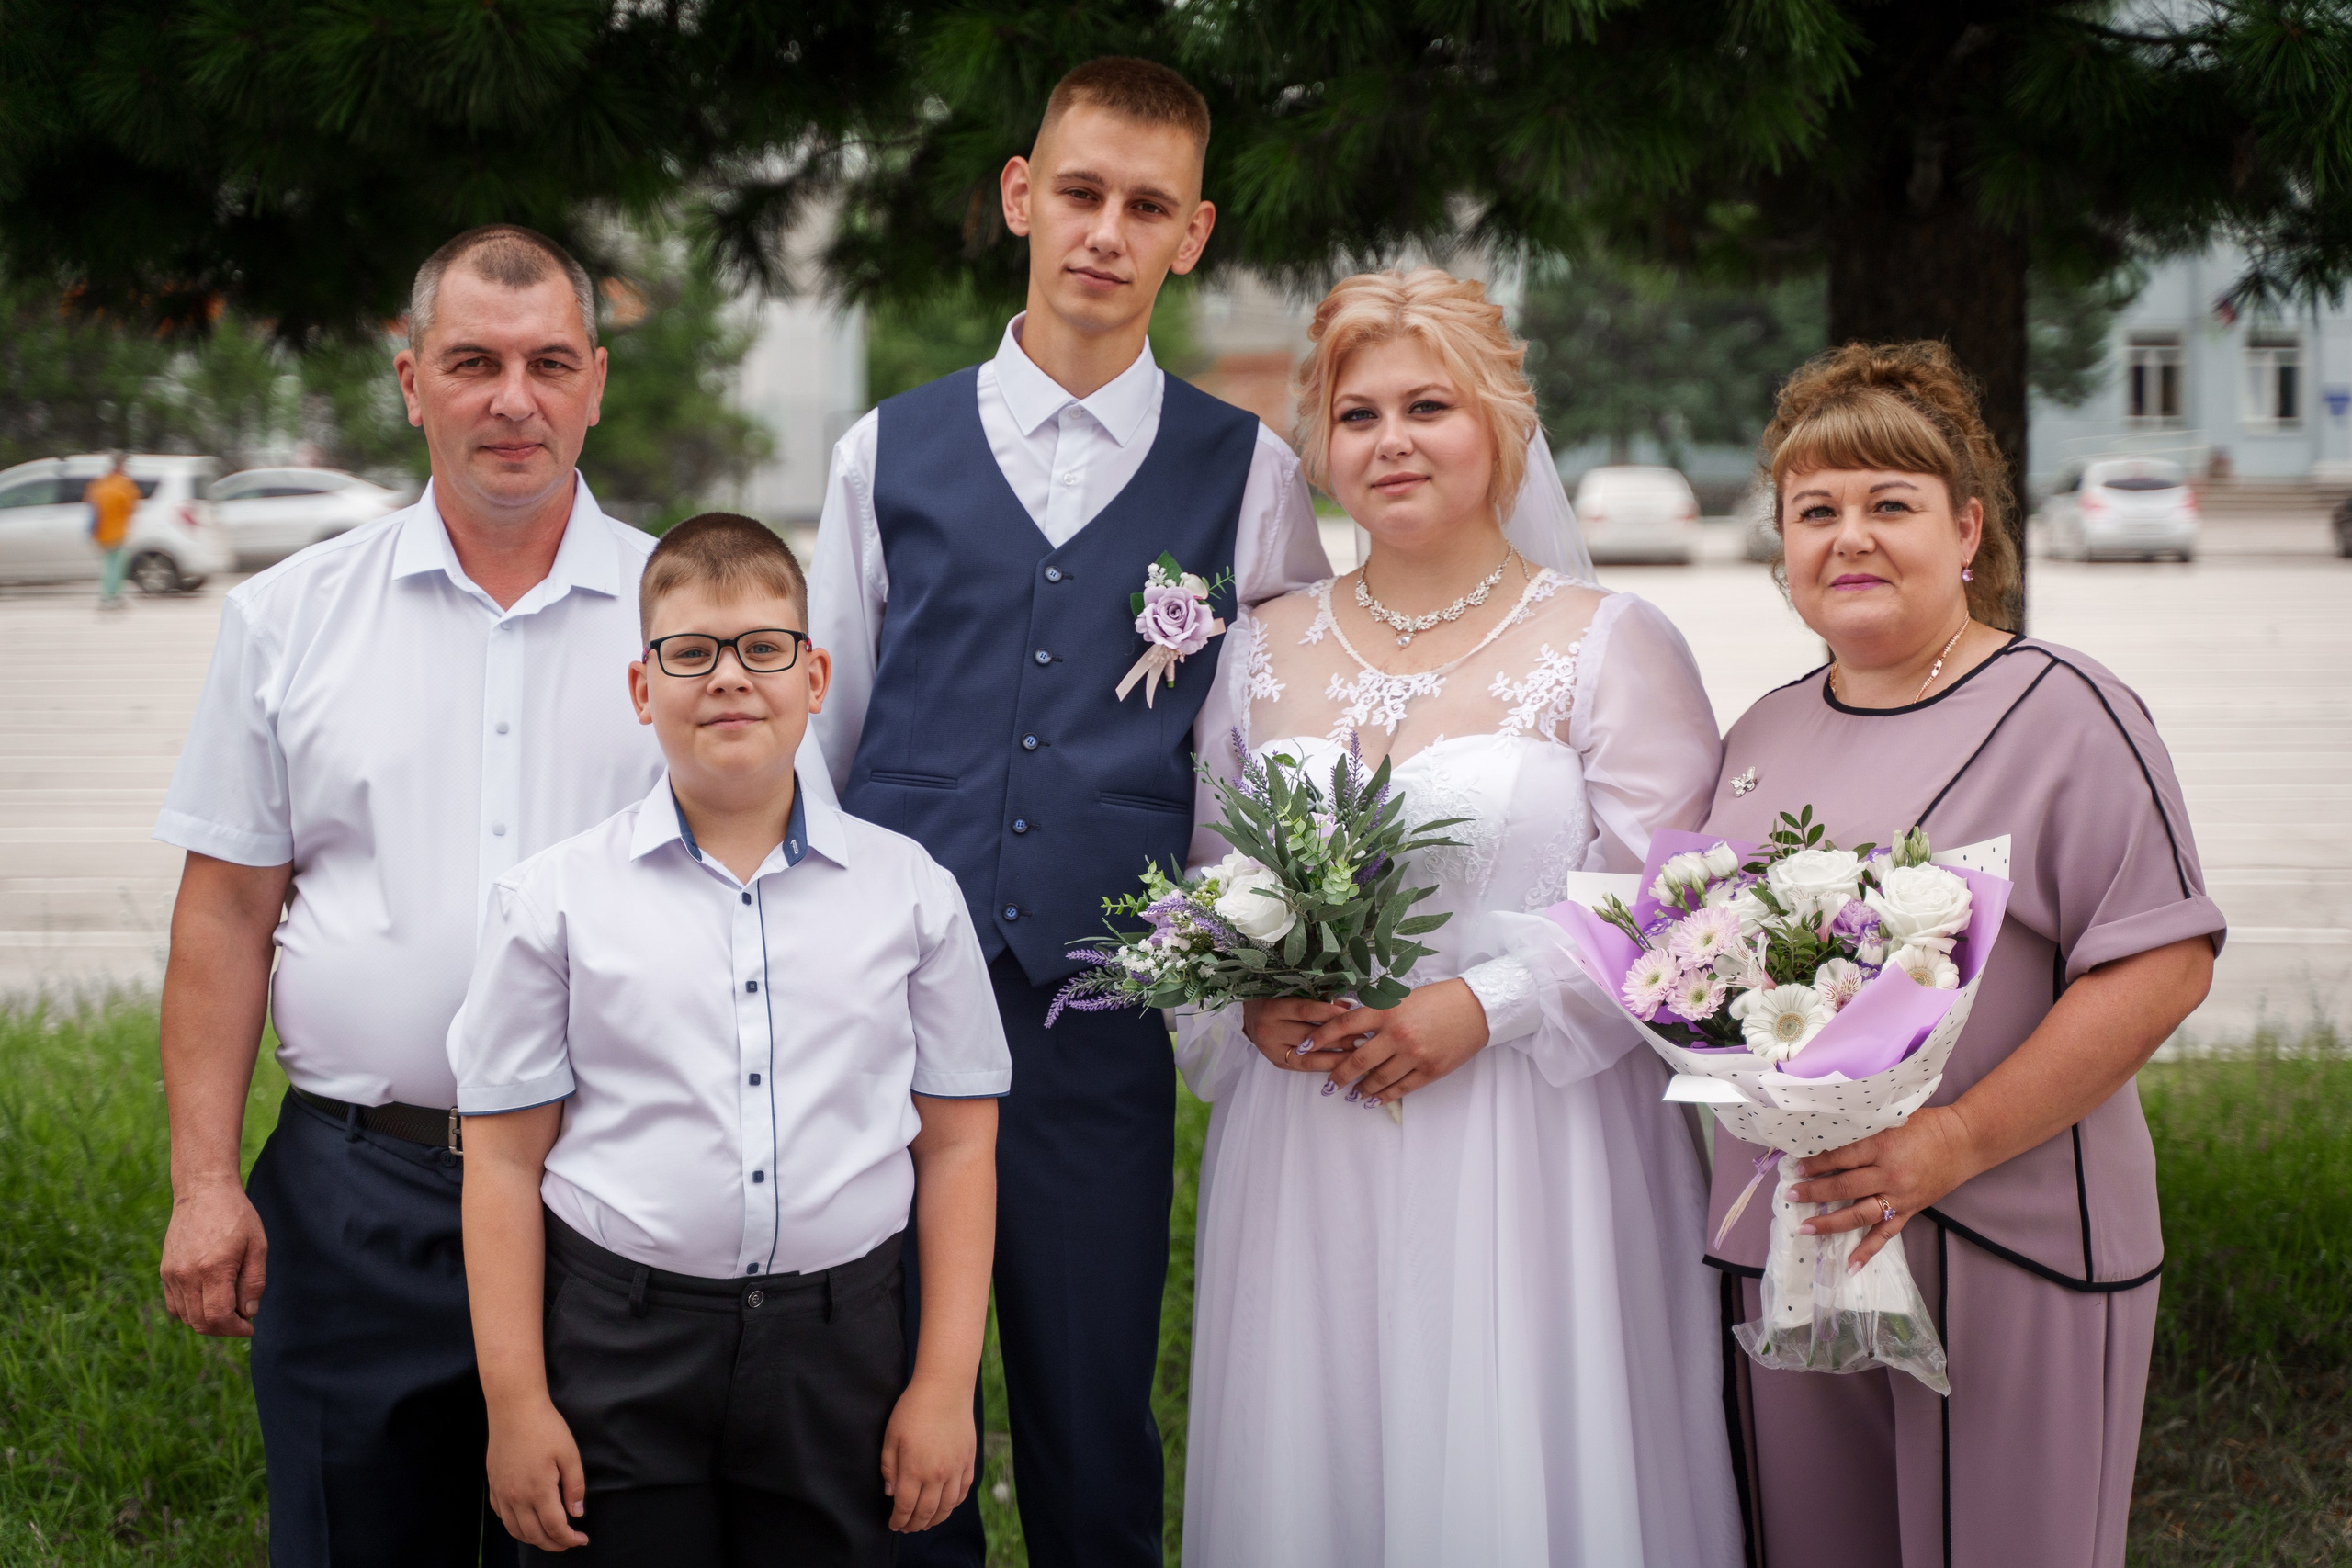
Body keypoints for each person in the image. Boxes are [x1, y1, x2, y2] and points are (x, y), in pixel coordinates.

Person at [805, 58, 1328, 1568]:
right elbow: (828, 744)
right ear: (1024, 197)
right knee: (892, 1404)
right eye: (1081, 192)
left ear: (1194, 234)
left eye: (1146, 205)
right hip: (888, 1009)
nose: (1106, 230)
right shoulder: (883, 451)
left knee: (1094, 1403)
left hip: (1097, 1015)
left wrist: (1225, 977)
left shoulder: (1251, 474)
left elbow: (1256, 758)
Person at [152, 224, 715, 1565]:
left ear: (594, 382)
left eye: (545, 363)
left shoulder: (687, 622)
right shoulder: (288, 619)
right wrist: (202, 1184)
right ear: (411, 381)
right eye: (472, 362)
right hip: (358, 1200)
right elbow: (225, 912)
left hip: (610, 1193)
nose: (510, 399)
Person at [1172, 267, 1744, 1567]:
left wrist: (1481, 1004)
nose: (1390, 441)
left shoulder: (1610, 640)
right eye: (1357, 412)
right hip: (1310, 1134)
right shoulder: (1259, 651)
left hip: (1534, 1136)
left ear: (1500, 423)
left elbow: (1670, 904)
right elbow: (1210, 868)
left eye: (1427, 405)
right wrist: (1245, 988)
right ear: (1319, 440)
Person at [1701, 341, 2222, 1567]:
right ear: (1782, 542)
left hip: (2014, 1238)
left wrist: (1951, 1139)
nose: (1851, 535)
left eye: (1892, 503)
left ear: (1969, 527)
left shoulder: (2066, 709)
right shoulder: (1762, 730)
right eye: (1815, 509)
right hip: (1790, 1252)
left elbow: (2163, 963)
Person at [450, 514, 1009, 1566]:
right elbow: (502, 1162)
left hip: (843, 1344)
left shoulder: (910, 894)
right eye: (690, 653)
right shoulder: (551, 902)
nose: (729, 679)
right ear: (641, 687)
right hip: (621, 1343)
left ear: (814, 673)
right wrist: (516, 1405)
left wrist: (941, 1384)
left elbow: (959, 1147)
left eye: (762, 648)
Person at [85, 450, 140, 609]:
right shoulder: (124, 484)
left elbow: (92, 502)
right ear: (122, 466)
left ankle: (105, 595)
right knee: (116, 566)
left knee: (107, 566)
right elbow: (131, 506)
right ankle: (114, 596)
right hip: (118, 531)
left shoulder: (100, 483)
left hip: (101, 532)